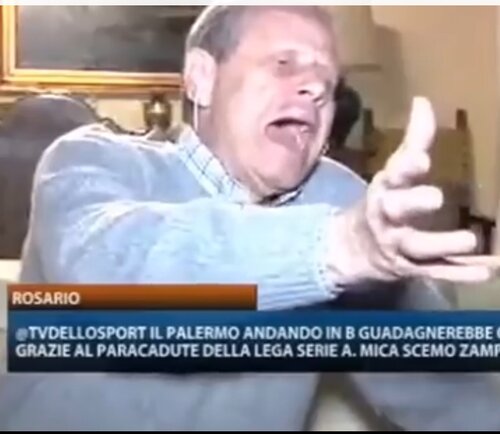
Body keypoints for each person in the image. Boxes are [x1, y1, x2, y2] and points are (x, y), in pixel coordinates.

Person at [1, 5, 500, 431]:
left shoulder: (337, 199)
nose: (316, 88)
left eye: (329, 83)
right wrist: (337, 248)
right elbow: (108, 273)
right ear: (202, 78)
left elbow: (444, 387)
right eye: (284, 64)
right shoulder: (90, 162)